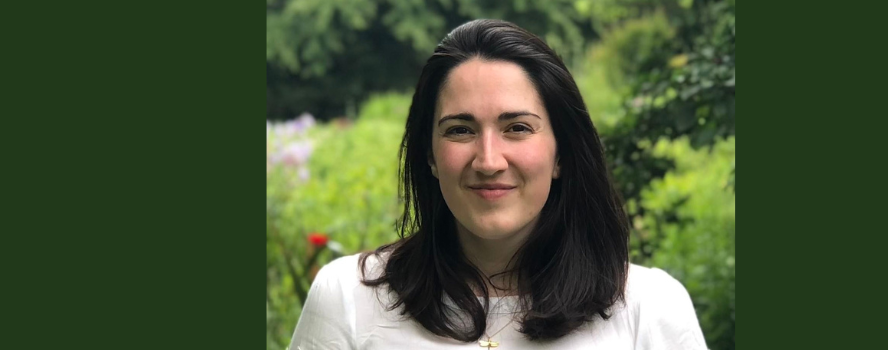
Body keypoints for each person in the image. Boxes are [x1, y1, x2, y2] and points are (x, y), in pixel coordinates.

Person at [289, 19, 708, 350]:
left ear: (561, 153)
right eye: (460, 130)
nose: (489, 161)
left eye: (518, 128)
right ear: (430, 155)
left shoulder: (649, 308)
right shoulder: (347, 298)